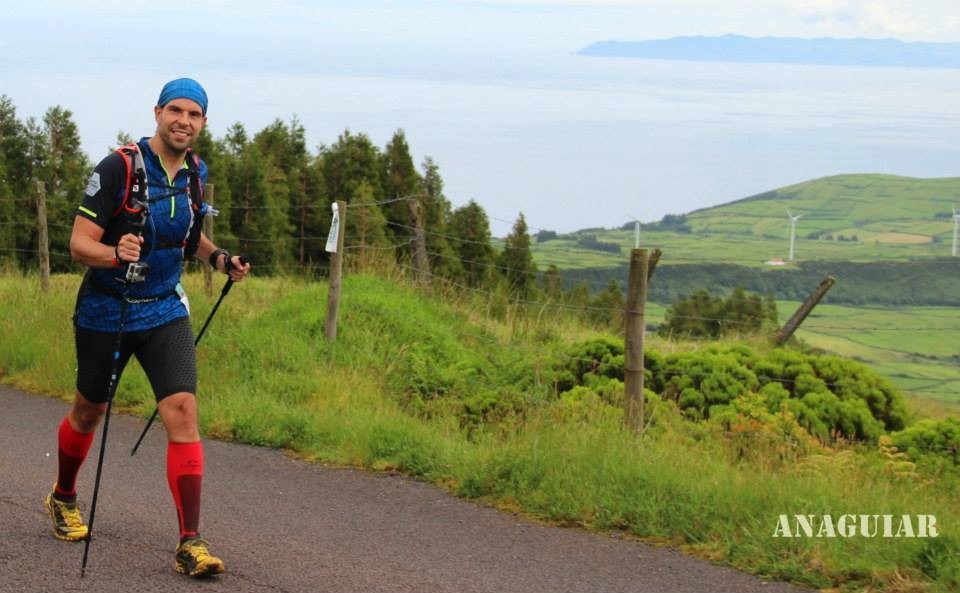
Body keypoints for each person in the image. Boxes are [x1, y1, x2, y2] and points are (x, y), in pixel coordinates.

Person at [44, 78, 249, 578]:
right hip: (106, 308)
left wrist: (218, 257)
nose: (184, 121)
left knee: (182, 409)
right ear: (157, 112)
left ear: (203, 123)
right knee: (89, 410)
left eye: (194, 114)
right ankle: (64, 495)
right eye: (175, 110)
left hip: (163, 308)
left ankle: (190, 542)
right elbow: (77, 244)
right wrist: (114, 253)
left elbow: (189, 232)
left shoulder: (195, 173)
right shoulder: (119, 167)